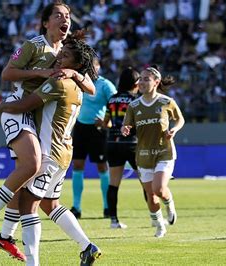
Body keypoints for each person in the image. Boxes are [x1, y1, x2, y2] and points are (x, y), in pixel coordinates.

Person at [0, 1, 96, 261]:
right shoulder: (35, 45)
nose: (65, 20)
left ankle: (6, 235)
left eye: (68, 16)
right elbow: (7, 73)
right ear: (45, 22)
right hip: (17, 110)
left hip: (32, 115)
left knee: (26, 179)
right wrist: (42, 73)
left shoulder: (67, 52)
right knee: (31, 166)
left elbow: (92, 85)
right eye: (59, 15)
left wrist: (74, 75)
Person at [0, 31, 101, 266]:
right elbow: (90, 86)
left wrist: (3, 105)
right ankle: (87, 246)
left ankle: (31, 262)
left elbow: (25, 104)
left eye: (64, 57)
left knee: (27, 204)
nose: (58, 58)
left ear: (74, 65)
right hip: (63, 152)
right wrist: (74, 72)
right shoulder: (77, 85)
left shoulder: (58, 82)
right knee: (49, 204)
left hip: (49, 153)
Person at [121, 65, 185, 238]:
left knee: (158, 188)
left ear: (156, 82)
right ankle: (159, 225)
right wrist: (125, 128)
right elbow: (126, 124)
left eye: (146, 79)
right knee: (150, 194)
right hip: (143, 154)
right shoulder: (133, 105)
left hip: (164, 151)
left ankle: (169, 204)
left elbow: (180, 119)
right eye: (140, 79)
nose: (141, 82)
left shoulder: (166, 102)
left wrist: (174, 130)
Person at [70, 58, 117, 219]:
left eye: (93, 66)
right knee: (77, 165)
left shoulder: (105, 85)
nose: (90, 69)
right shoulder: (79, 81)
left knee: (102, 167)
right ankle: (76, 207)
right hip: (80, 127)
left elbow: (116, 105)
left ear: (98, 67)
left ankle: (107, 206)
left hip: (98, 130)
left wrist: (107, 122)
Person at [103, 67, 140, 229]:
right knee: (146, 181)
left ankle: (114, 220)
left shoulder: (112, 99)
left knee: (113, 183)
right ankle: (155, 218)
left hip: (113, 143)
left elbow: (106, 123)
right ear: (135, 83)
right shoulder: (136, 100)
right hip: (132, 143)